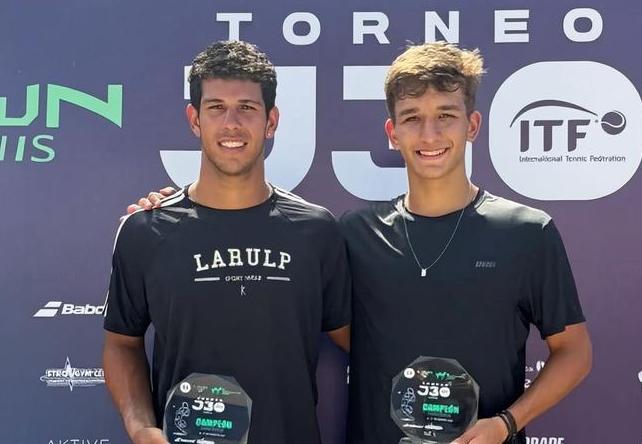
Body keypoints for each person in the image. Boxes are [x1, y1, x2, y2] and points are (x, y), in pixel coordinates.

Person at [131, 42, 592, 444]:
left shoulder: (527, 231)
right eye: (412, 118)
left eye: (445, 117)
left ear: (472, 126)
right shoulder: (350, 233)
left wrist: (507, 423)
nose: (429, 135)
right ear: (392, 133)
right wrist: (168, 212)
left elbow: (574, 351)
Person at [102, 40, 350, 444]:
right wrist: (141, 426)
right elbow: (121, 343)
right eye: (216, 107)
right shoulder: (146, 231)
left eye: (247, 109)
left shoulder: (316, 231)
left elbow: (373, 344)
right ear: (194, 119)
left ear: (272, 121)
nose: (231, 123)